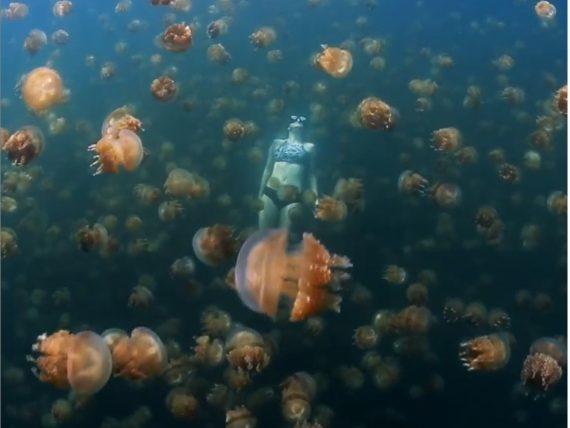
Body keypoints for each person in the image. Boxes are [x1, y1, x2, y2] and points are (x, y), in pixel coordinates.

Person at [258, 116, 318, 231]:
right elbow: (267, 169)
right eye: (294, 118)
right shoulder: (276, 143)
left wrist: (315, 199)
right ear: (288, 126)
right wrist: (259, 195)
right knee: (264, 237)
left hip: (294, 196)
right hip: (270, 192)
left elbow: (312, 175)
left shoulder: (309, 147)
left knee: (283, 239)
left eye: (302, 118)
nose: (298, 120)